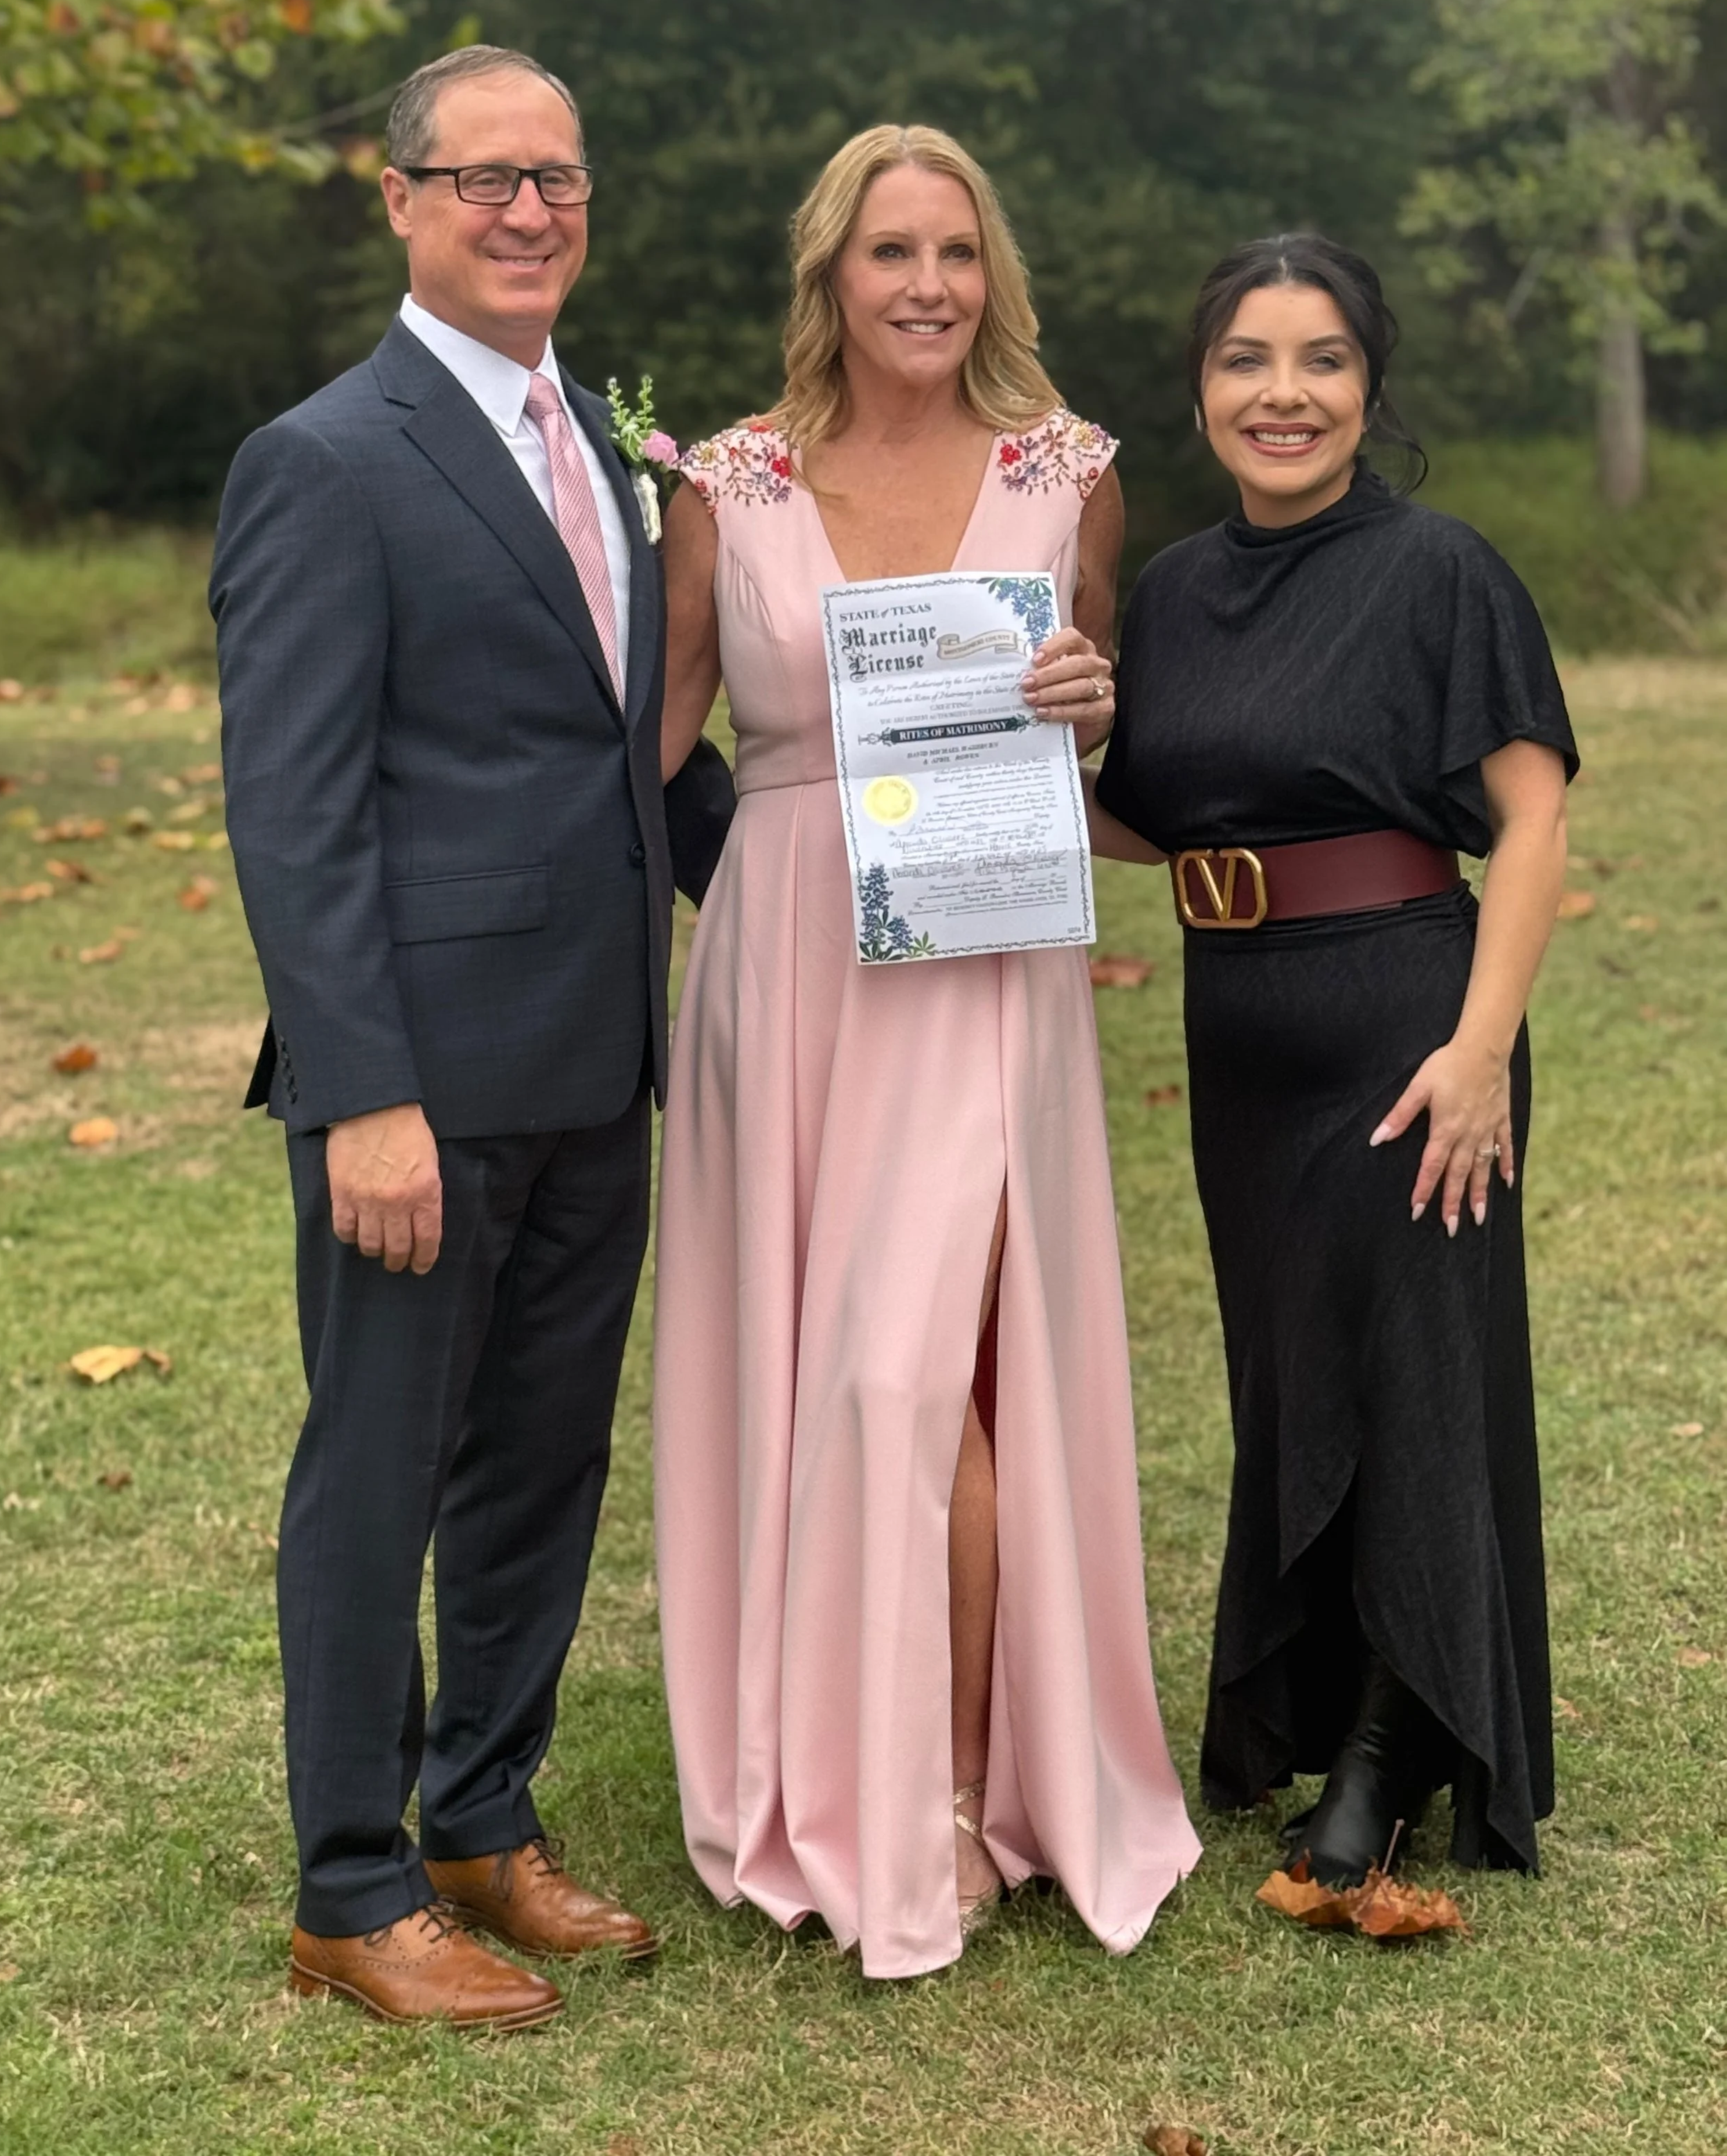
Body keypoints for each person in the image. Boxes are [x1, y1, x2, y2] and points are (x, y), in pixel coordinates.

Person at [212, 44, 733, 2028]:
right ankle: (350, 1884)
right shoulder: (327, 457)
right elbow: (298, 803)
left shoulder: (606, 438)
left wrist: (866, 855)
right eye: (486, 179)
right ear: (404, 200)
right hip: (418, 1082)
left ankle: (478, 1817)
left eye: (560, 180)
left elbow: (638, 753)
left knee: (538, 1461)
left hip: (596, 1061)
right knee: (381, 1466)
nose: (530, 212)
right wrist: (360, 1094)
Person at [651, 123, 1200, 1980]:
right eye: (888, 250)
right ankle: (849, 1759)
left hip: (979, 962)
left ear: (992, 273)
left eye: (954, 252)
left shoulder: (1070, 477)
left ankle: (962, 1781)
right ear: (830, 272)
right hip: (789, 964)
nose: (924, 285)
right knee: (826, 1365)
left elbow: (1101, 721)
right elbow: (657, 737)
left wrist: (1091, 694)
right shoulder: (728, 481)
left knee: (919, 1372)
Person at [1087, 233, 1576, 1889]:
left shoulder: (1440, 570)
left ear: (1368, 388)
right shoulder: (1167, 591)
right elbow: (1135, 827)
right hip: (1235, 1043)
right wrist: (1010, 727)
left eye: (1318, 361)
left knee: (1404, 1386)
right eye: (1244, 360)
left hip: (1402, 1027)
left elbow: (1528, 818)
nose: (1280, 393)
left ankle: (1384, 1754)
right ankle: (1304, 1701)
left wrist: (1480, 1050)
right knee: (1291, 1383)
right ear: (1199, 388)